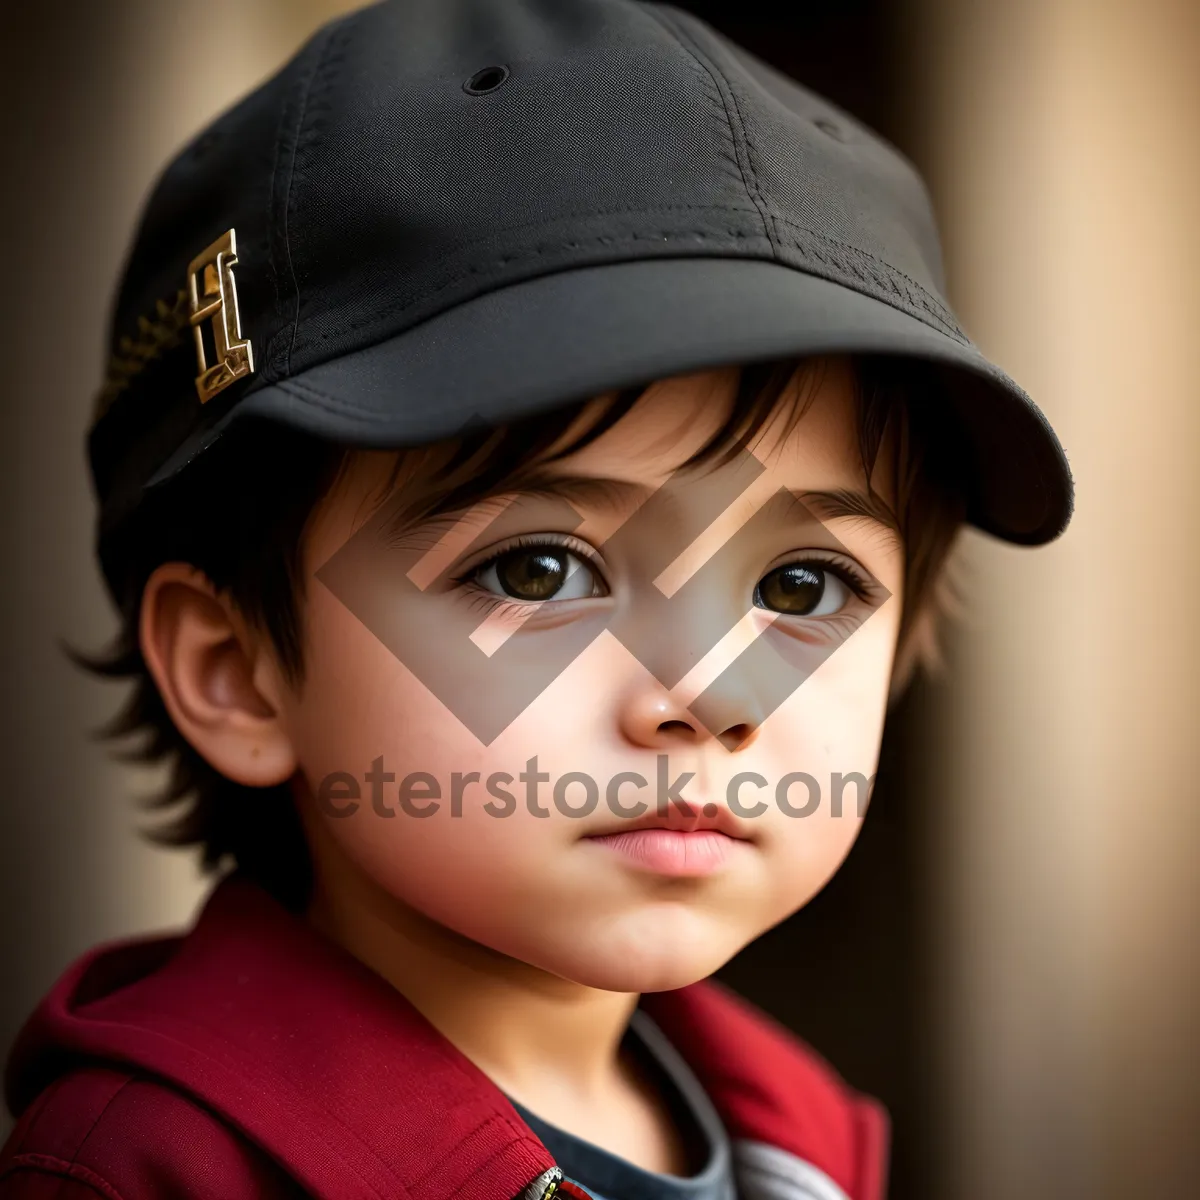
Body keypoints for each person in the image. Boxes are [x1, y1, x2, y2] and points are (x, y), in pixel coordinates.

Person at [0, 2, 1073, 1198]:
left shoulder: (808, 1145)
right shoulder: (151, 1171)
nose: (708, 693)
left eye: (800, 584)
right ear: (235, 669)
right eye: (537, 570)